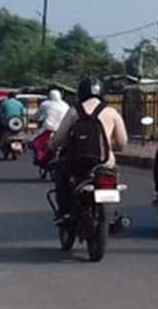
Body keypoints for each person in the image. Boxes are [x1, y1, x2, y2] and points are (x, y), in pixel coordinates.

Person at [47, 77, 129, 224]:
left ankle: (65, 213)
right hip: (105, 162)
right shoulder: (111, 112)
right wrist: (109, 147)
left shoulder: (74, 111)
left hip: (77, 162)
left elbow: (60, 138)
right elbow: (122, 143)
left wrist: (52, 145)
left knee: (62, 177)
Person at [33, 88, 70, 164]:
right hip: (62, 129)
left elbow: (37, 116)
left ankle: (40, 158)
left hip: (48, 129)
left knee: (36, 142)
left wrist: (34, 119)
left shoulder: (45, 104)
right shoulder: (65, 105)